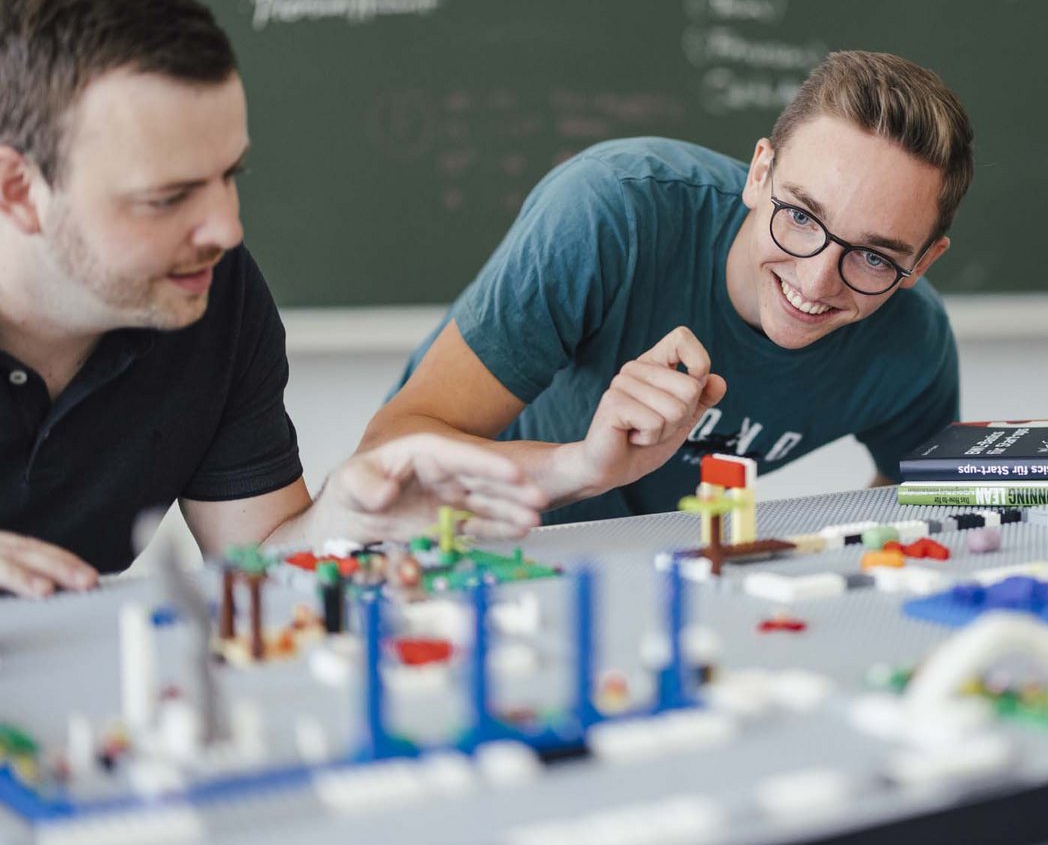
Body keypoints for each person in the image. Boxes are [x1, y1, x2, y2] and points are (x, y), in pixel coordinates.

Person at [0, 0, 544, 598]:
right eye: (167, 198)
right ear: (18, 189)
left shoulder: (210, 291)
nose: (226, 229)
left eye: (231, 174)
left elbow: (256, 556)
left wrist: (343, 515)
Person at [363, 51, 974, 525]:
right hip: (454, 541)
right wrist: (580, 467)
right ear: (760, 173)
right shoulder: (609, 213)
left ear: (922, 263)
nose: (815, 283)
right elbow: (389, 452)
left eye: (872, 257)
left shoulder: (913, 344)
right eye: (801, 218)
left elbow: (917, 496)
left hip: (650, 571)